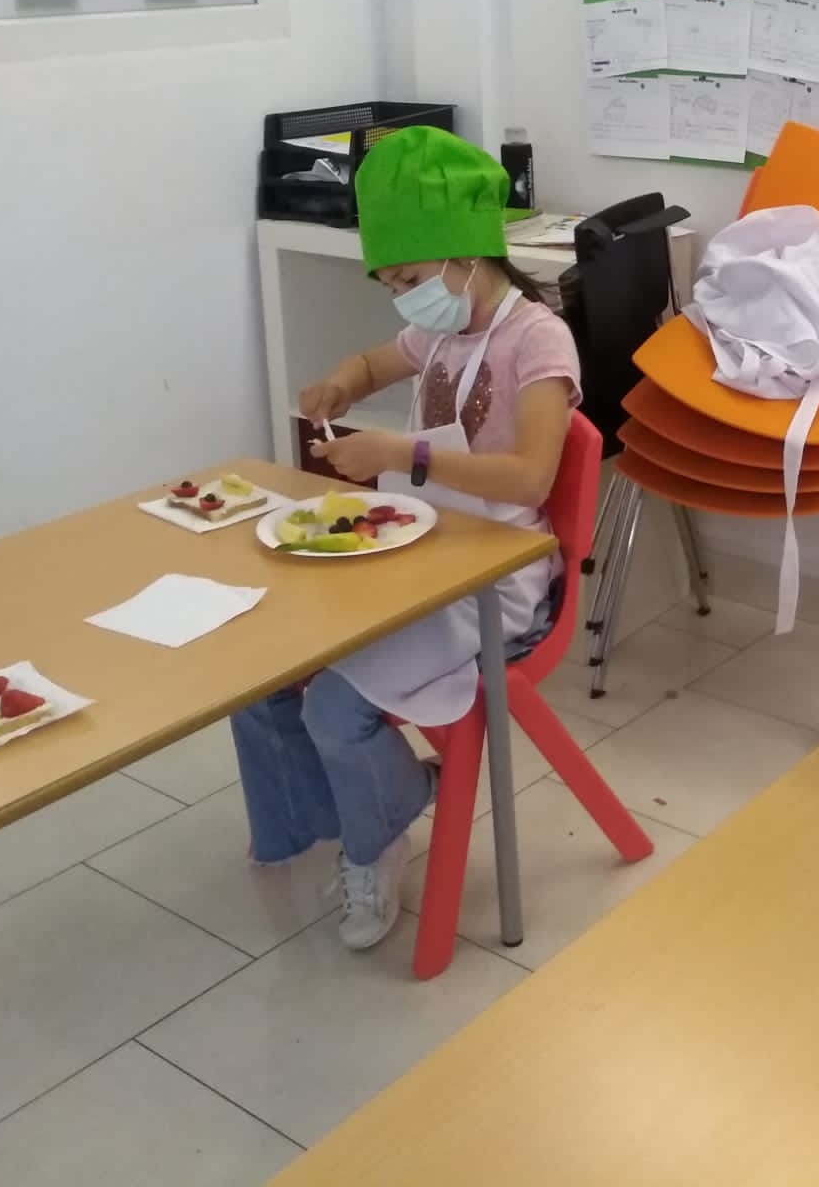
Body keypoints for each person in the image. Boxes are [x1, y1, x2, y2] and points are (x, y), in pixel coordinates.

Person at [229, 127, 581, 949]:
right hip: (420, 553)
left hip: (498, 578)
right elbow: (373, 361)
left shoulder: (537, 339)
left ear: (467, 254)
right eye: (389, 284)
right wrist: (339, 383)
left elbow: (533, 478)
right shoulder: (441, 332)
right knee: (258, 673)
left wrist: (402, 455)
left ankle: (381, 829)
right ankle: (338, 812)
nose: (403, 298)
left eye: (412, 279)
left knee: (335, 704)